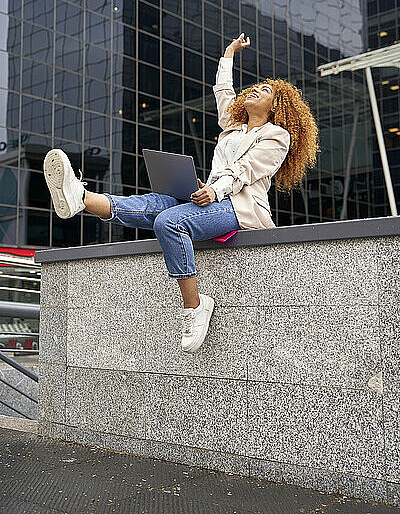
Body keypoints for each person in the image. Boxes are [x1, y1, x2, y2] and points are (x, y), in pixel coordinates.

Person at [43, 33, 319, 354]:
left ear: (277, 106)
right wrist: (229, 53)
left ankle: (195, 306)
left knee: (169, 222)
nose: (256, 89)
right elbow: (224, 92)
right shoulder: (233, 127)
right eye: (254, 87)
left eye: (265, 90)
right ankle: (80, 197)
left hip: (238, 207)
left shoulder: (277, 136)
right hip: (209, 194)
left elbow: (244, 171)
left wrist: (214, 191)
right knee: (149, 205)